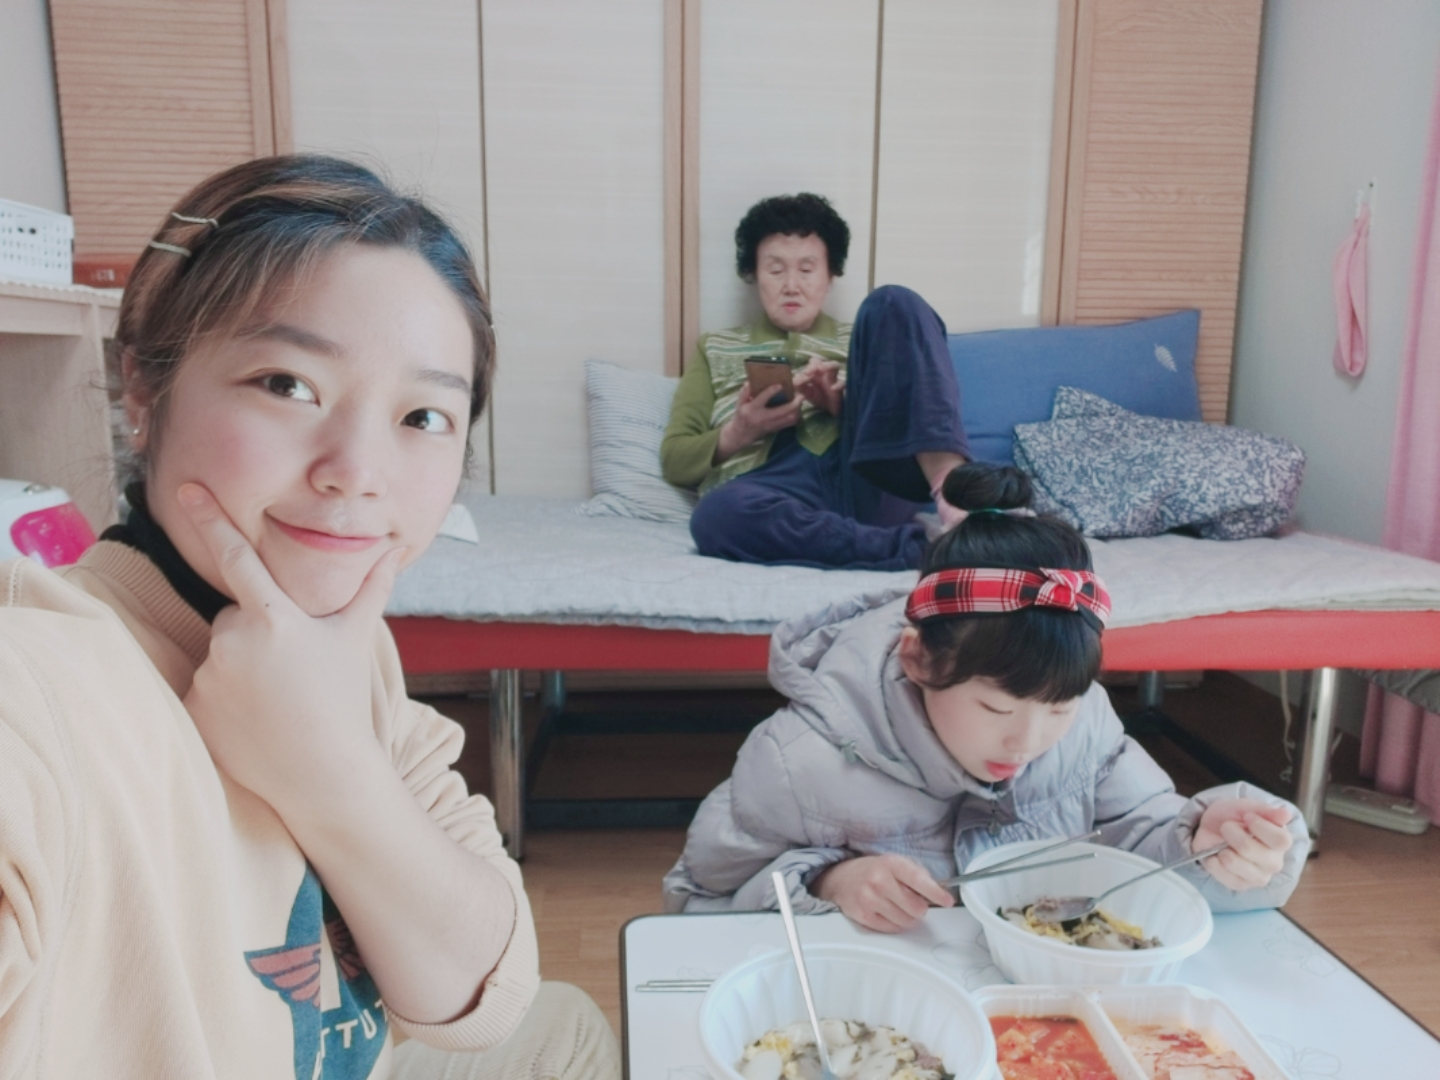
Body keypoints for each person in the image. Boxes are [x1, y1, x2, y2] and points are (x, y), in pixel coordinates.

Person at [0, 156, 619, 1079]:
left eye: (423, 416)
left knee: (562, 1026)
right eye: (288, 384)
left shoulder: (346, 641)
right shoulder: (41, 688)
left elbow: (483, 997)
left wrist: (329, 770)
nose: (357, 472)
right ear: (144, 393)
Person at [663, 463, 1309, 930]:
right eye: (996, 708)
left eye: (1058, 707)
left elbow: (1141, 836)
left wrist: (1203, 844)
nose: (1027, 743)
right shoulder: (799, 762)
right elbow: (697, 901)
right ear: (917, 657)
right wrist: (828, 883)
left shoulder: (1086, 726)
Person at [661, 193, 970, 571]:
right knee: (715, 515)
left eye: (807, 269)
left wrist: (843, 409)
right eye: (776, 270)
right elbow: (674, 459)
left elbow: (910, 406)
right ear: (754, 275)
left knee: (894, 301)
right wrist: (739, 431)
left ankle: (958, 497)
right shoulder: (714, 347)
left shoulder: (864, 337)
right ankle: (923, 549)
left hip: (865, 473)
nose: (792, 285)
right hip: (773, 488)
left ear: (830, 275)